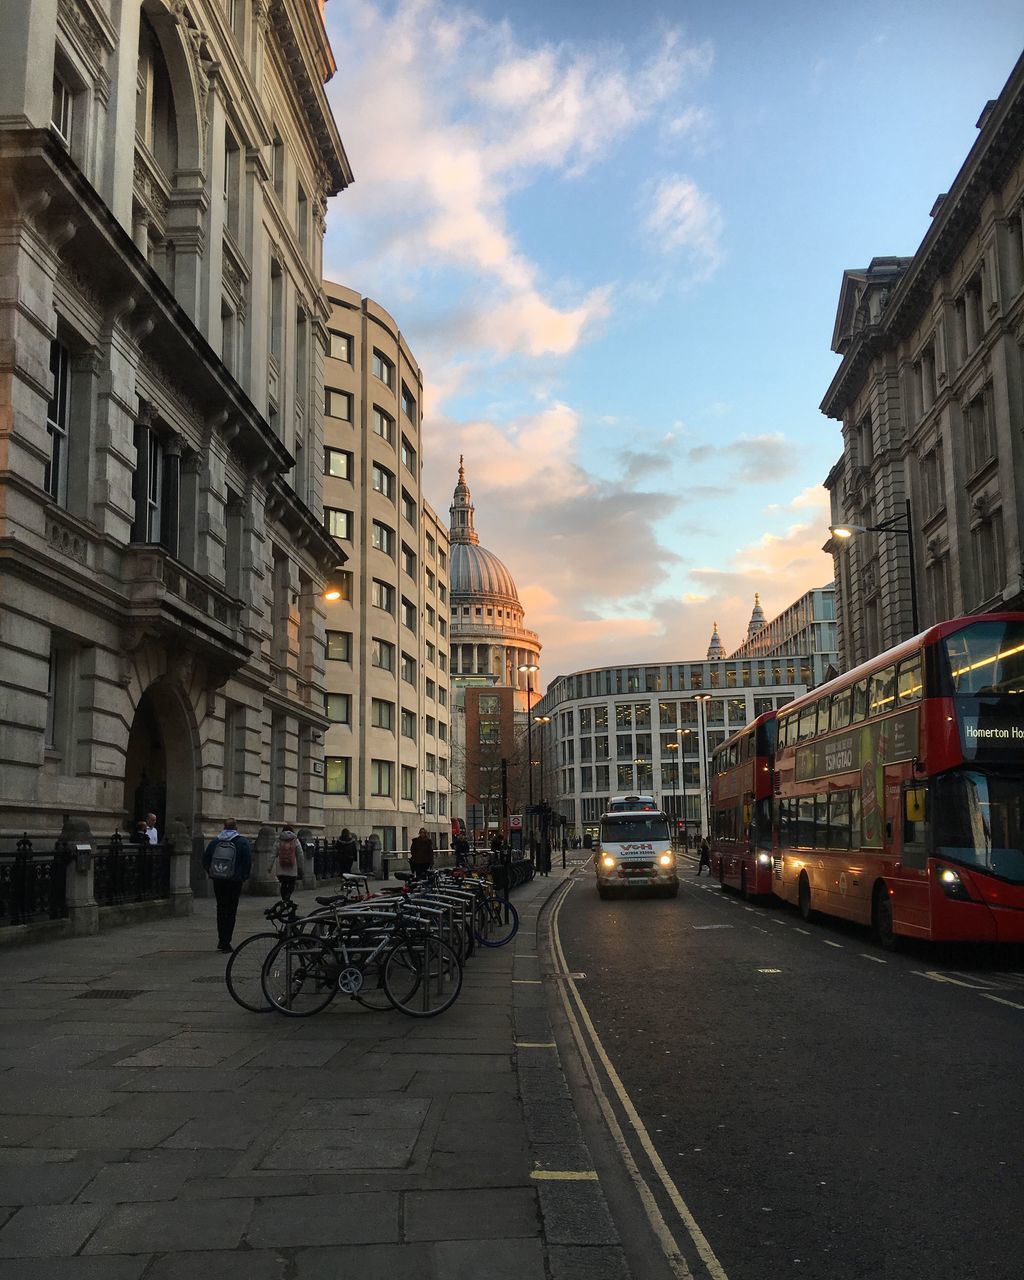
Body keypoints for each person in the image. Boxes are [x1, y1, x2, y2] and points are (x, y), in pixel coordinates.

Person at [202, 821, 253, 952]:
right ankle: (226, 941)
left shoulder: (215, 841)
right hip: (234, 881)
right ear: (236, 827)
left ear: (224, 827)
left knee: (221, 908)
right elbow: (247, 860)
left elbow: (206, 859)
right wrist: (242, 876)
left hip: (219, 880)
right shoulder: (242, 842)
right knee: (231, 911)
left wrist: (212, 873)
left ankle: (221, 939)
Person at [268, 825, 304, 902]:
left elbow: (273, 854)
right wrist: (300, 866)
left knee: (283, 884)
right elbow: (300, 854)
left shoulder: (279, 840)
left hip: (281, 867)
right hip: (292, 867)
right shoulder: (295, 840)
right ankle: (288, 896)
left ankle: (284, 899)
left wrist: (269, 867)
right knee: (291, 884)